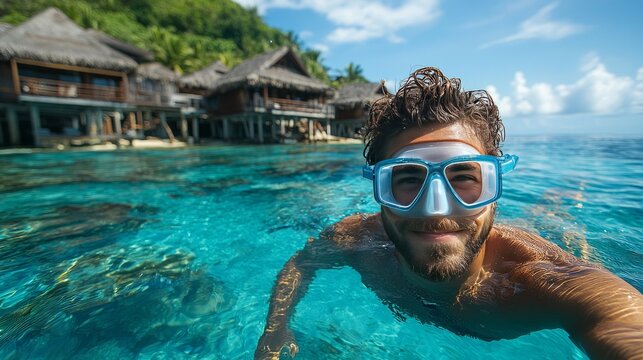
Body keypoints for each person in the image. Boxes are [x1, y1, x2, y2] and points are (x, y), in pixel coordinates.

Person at [254, 67, 643, 360]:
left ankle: (564, 197)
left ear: (495, 190)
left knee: (554, 219)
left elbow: (620, 321)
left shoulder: (542, 282)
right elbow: (301, 263)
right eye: (406, 179)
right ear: (378, 190)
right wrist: (276, 329)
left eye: (464, 178)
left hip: (534, 238)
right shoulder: (356, 239)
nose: (436, 207)